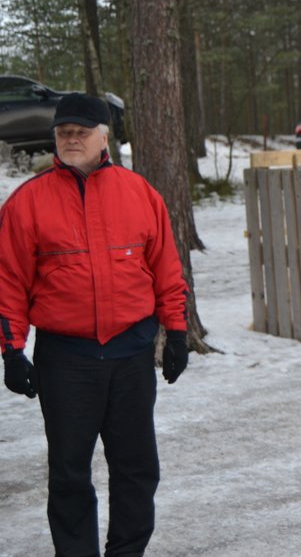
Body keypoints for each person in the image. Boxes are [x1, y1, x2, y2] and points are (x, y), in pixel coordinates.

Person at [0, 93, 190, 556]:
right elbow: (8, 282)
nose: (71, 140)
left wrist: (177, 331)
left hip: (131, 354)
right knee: (69, 473)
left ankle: (127, 551)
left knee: (136, 468)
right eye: (63, 132)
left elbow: (166, 268)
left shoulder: (139, 193)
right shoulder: (27, 202)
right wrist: (11, 351)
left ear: (104, 137)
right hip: (67, 360)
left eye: (81, 132)